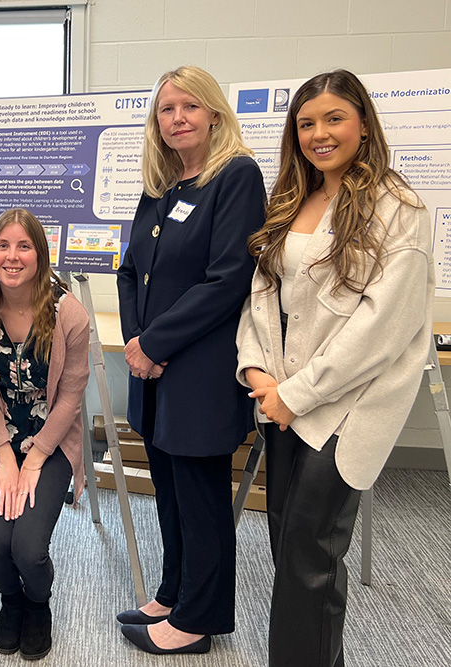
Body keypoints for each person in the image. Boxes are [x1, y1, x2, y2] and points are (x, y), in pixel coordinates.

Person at [236, 70, 433, 667]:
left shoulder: (400, 209)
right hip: (283, 402)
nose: (319, 134)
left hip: (343, 407)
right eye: (305, 123)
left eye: (333, 118)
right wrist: (256, 371)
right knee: (287, 549)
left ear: (364, 123)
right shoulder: (293, 200)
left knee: (309, 556)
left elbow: (381, 329)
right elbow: (261, 294)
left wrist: (297, 392)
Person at [115, 65, 266, 655]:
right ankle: (174, 590)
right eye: (165, 110)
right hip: (154, 370)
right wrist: (137, 343)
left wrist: (154, 344)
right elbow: (131, 271)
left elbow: (229, 279)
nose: (176, 118)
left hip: (199, 370)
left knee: (201, 497)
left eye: (188, 107)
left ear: (213, 114)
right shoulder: (163, 185)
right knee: (169, 490)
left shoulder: (236, 177)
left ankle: (198, 620)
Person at [0, 208, 90, 661]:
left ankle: (37, 605)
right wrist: (6, 457)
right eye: (2, 245)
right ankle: (11, 601)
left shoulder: (69, 314)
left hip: (50, 441)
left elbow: (71, 397)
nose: (12, 256)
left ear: (40, 253)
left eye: (23, 246)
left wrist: (33, 460)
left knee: (29, 550)